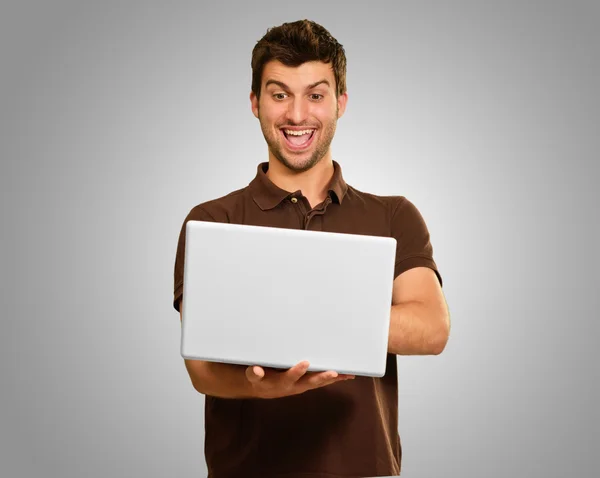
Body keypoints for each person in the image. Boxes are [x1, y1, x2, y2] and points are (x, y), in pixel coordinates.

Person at [172, 19, 450, 478]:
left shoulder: (394, 216)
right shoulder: (211, 221)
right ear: (255, 103)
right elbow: (201, 367)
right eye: (279, 94)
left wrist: (298, 317)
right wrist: (256, 387)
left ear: (340, 102)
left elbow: (431, 328)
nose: (297, 115)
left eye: (316, 95)